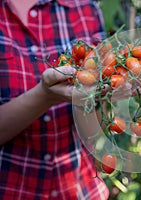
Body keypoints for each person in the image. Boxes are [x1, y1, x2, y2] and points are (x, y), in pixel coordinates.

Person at [0, 0, 110, 199]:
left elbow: (94, 130)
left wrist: (105, 94)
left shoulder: (85, 8)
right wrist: (44, 95)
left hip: (83, 191)